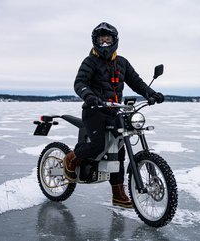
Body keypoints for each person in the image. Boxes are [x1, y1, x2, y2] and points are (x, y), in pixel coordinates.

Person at [63, 22, 164, 208]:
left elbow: (137, 82)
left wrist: (151, 93)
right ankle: (71, 158)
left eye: (107, 39)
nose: (104, 42)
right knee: (98, 145)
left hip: (116, 111)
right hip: (94, 111)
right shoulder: (90, 61)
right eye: (101, 39)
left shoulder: (122, 62)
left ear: (114, 40)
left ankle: (118, 195)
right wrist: (90, 96)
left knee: (120, 151)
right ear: (95, 41)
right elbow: (79, 83)